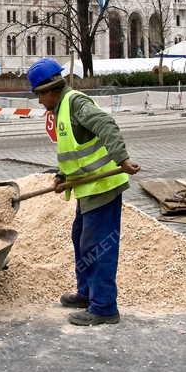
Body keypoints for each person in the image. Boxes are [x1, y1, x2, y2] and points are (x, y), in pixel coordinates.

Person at [27, 57, 141, 326]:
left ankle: (104, 307)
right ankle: (87, 293)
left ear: (51, 90)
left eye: (39, 96)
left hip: (103, 186)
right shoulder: (61, 108)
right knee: (80, 237)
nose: (40, 102)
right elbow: (73, 149)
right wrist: (62, 175)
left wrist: (122, 158)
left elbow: (106, 124)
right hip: (86, 187)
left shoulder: (76, 103)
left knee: (98, 246)